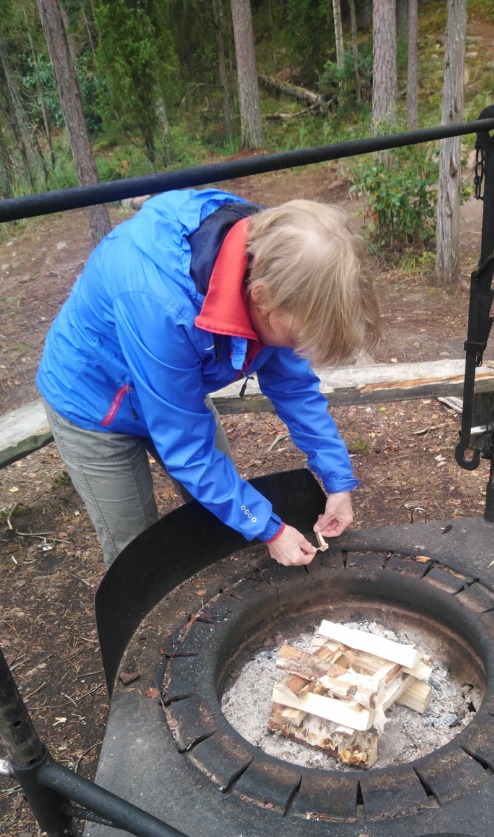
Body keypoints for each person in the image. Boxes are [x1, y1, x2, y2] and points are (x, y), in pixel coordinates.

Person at [36, 188, 380, 568]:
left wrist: (337, 479)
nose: (298, 348)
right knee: (135, 550)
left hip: (174, 390)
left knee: (226, 514)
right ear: (262, 296)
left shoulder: (279, 262)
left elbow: (294, 387)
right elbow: (189, 452)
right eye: (297, 338)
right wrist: (270, 528)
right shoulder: (163, 303)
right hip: (94, 403)